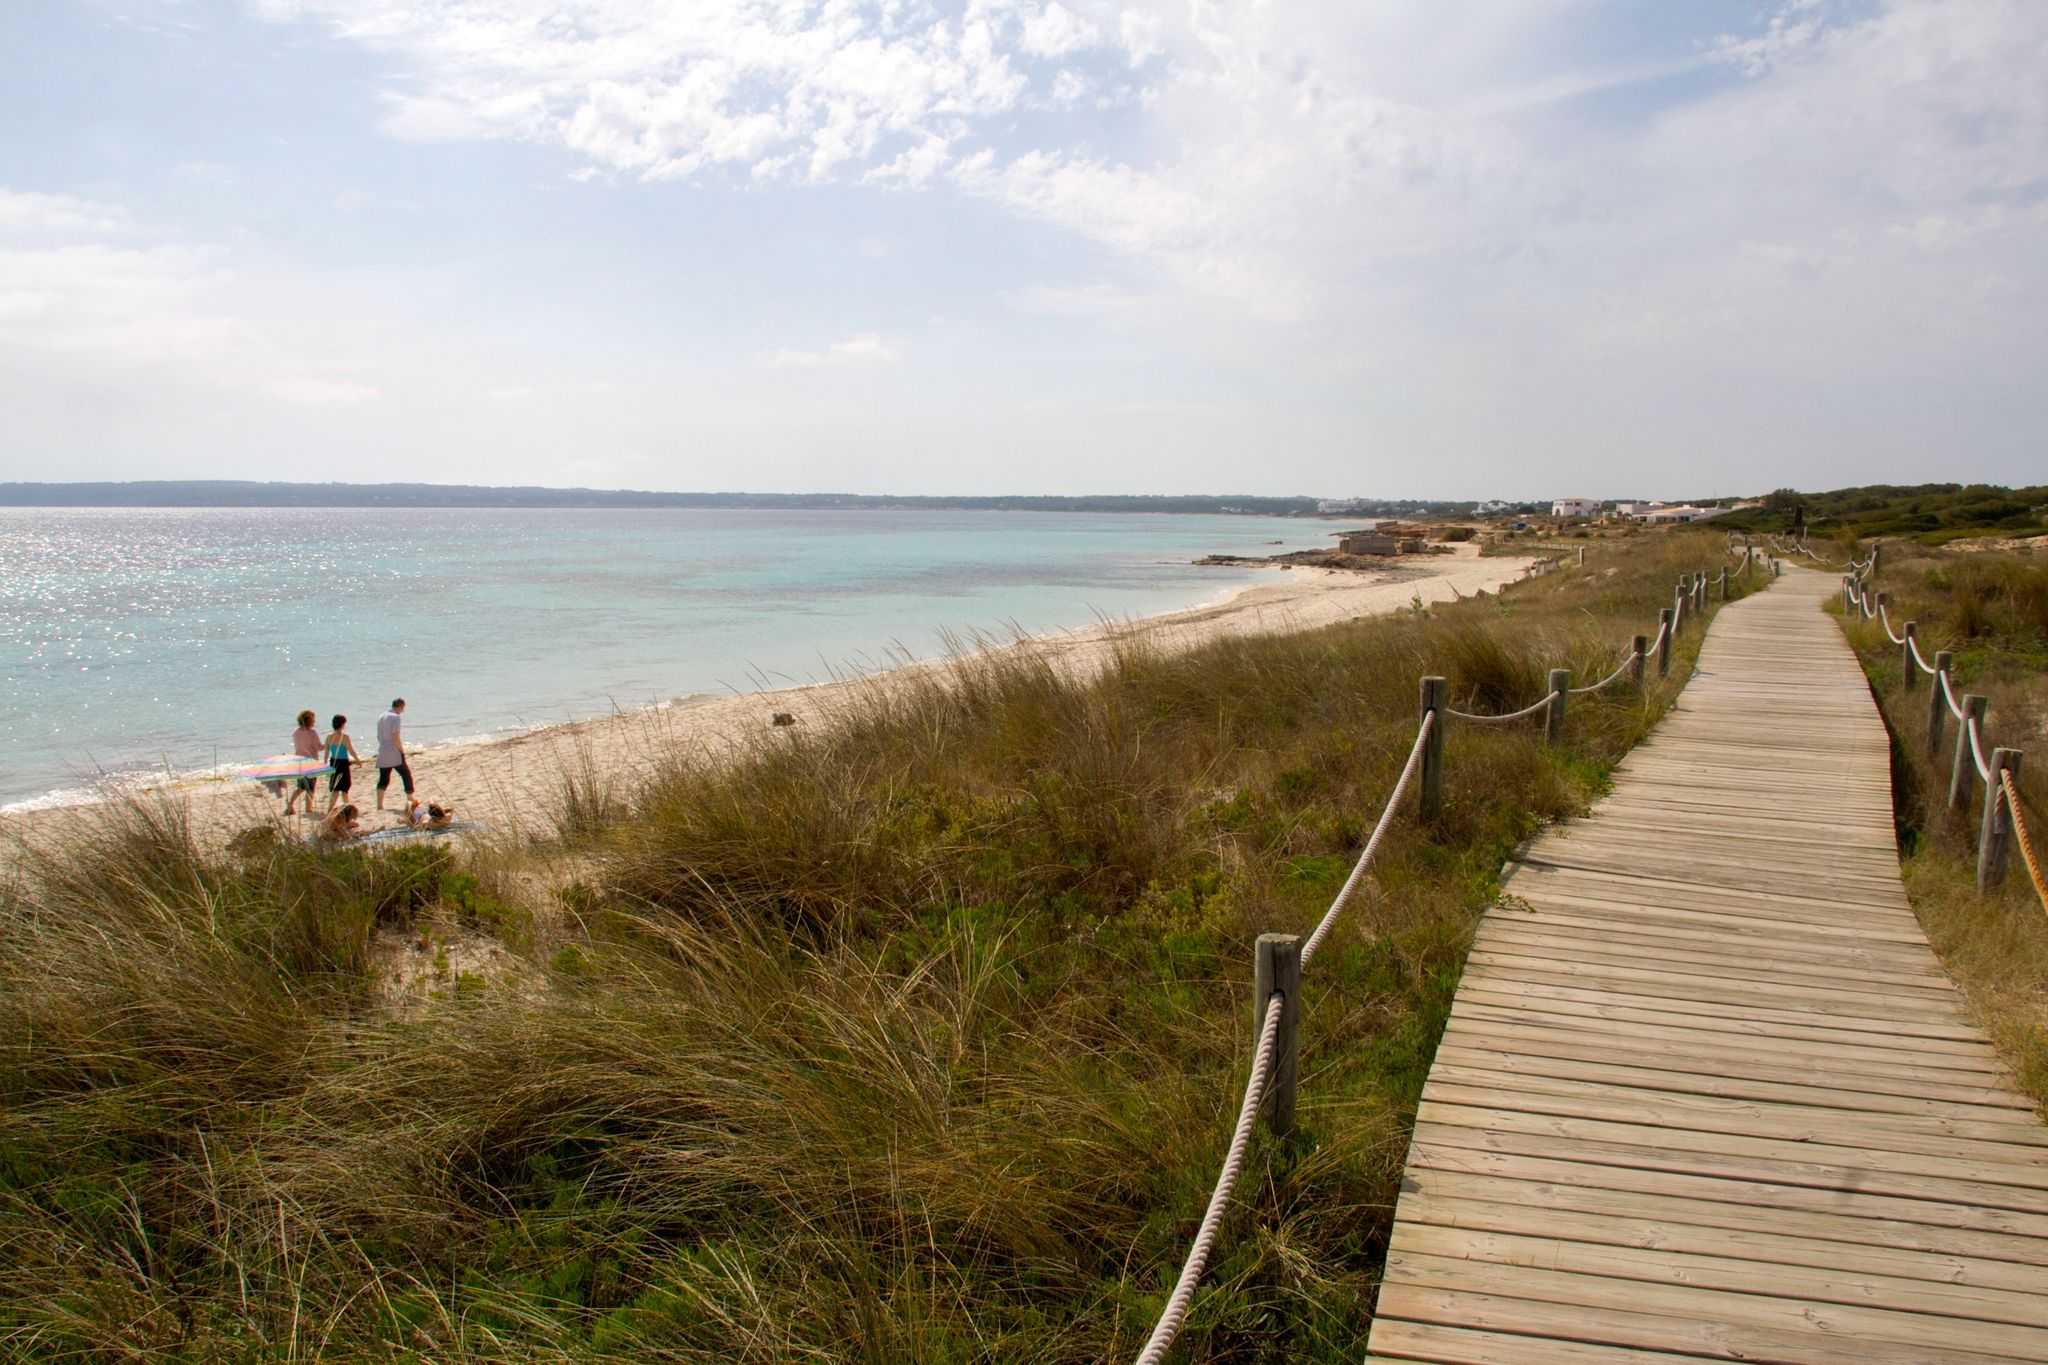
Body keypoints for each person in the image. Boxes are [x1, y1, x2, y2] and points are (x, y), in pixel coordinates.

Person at [375, 698, 413, 810]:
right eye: (403, 708)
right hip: (393, 750)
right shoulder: (396, 718)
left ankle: (379, 805)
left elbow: (378, 735)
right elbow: (395, 736)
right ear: (400, 706)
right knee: (405, 774)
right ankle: (410, 798)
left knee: (383, 777)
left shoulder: (381, 716)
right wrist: (401, 749)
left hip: (383, 749)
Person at [284, 710, 322, 816]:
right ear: (309, 721)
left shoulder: (296, 732)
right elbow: (318, 747)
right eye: (313, 720)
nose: (314, 722)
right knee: (311, 787)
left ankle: (290, 803)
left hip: (299, 762)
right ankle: (308, 808)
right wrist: (328, 745)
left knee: (301, 786)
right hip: (311, 762)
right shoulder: (312, 732)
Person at [324, 715, 360, 815]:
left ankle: (329, 811)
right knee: (345, 788)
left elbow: (326, 753)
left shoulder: (329, 737)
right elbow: (351, 750)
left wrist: (324, 764)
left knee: (335, 788)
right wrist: (357, 759)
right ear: (342, 724)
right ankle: (347, 809)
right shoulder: (344, 737)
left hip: (333, 762)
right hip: (343, 763)